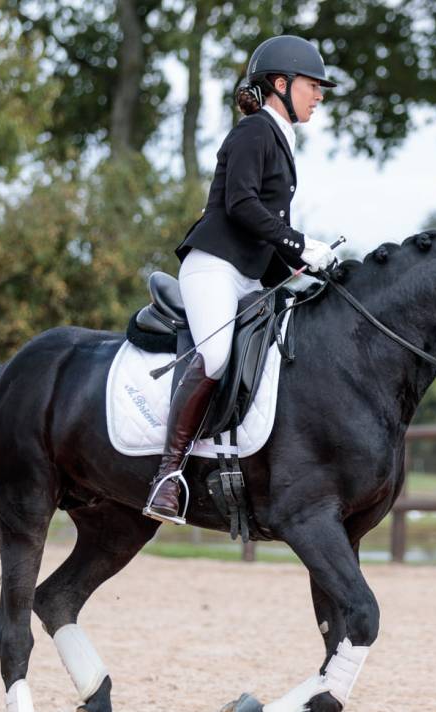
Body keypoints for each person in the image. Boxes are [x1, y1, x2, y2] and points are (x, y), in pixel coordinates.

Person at [143, 35, 339, 524]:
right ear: (281, 83)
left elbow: (265, 236)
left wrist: (298, 271)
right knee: (214, 354)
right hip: (214, 265)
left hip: (248, 272)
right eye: (312, 86)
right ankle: (168, 475)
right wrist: (300, 243)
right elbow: (242, 206)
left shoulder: (279, 140)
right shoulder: (255, 131)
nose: (319, 95)